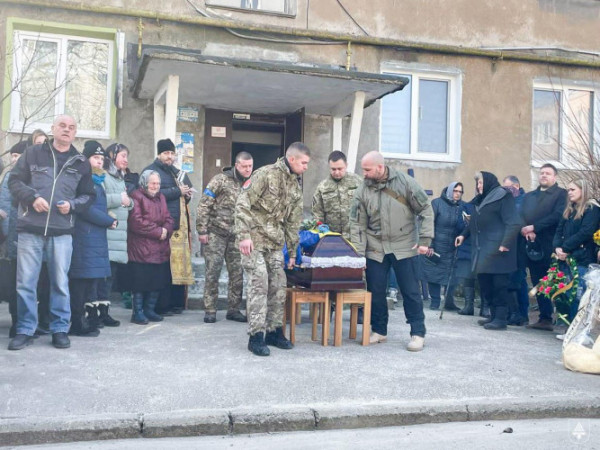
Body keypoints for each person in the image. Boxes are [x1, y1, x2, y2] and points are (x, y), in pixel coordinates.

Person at [7, 115, 95, 350]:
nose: (67, 130)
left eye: (72, 127)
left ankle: (59, 329)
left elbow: (88, 196)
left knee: (60, 283)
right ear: (53, 129)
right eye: (63, 126)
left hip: (62, 230)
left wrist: (72, 206)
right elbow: (14, 181)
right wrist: (32, 197)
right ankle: (25, 329)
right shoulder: (33, 153)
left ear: (75, 133)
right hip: (30, 229)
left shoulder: (80, 162)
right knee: (26, 283)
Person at [349, 151, 433, 352]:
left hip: (404, 246)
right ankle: (379, 331)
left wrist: (425, 240)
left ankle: (417, 333)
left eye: (367, 169)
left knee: (410, 291)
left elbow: (425, 209)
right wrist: (359, 254)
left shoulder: (405, 182)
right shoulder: (362, 190)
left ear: (380, 167)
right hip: (375, 247)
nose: (364, 173)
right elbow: (357, 223)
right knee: (375, 291)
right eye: (363, 169)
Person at [235, 142, 310, 356]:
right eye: (304, 162)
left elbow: (293, 222)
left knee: (278, 286)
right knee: (259, 284)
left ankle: (274, 332)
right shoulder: (265, 174)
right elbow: (242, 202)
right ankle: (256, 336)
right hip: (253, 242)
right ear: (292, 158)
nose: (306, 167)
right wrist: (243, 236)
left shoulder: (295, 186)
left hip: (275, 244)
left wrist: (294, 252)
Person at [456, 171, 521, 331]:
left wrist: (505, 243)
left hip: (499, 250)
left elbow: (513, 222)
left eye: (481, 182)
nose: (479, 186)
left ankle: (500, 318)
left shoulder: (503, 196)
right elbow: (474, 223)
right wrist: (463, 236)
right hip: (483, 250)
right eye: (477, 183)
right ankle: (492, 316)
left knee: (499, 285)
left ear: (490, 182)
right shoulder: (481, 200)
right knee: (486, 283)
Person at [197, 152, 253, 323]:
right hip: (216, 233)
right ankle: (210, 309)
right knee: (212, 271)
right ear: (236, 165)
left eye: (250, 166)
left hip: (238, 236)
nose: (248, 169)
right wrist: (202, 230)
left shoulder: (252, 184)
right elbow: (204, 204)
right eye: (244, 166)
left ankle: (234, 310)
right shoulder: (220, 180)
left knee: (237, 274)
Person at [68, 141, 117, 337]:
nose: (99, 162)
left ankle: (85, 321)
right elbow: (84, 208)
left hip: (94, 238)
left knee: (89, 282)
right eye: (95, 158)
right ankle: (77, 324)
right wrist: (108, 221)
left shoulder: (97, 180)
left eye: (101, 159)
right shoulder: (82, 178)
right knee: (80, 282)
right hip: (84, 236)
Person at [144, 139, 194, 315]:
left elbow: (187, 192)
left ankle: (176, 303)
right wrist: (177, 192)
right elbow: (150, 194)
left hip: (179, 226)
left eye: (172, 153)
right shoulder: (150, 171)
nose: (169, 157)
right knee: (164, 266)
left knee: (177, 266)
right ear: (159, 154)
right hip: (161, 226)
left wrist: (187, 194)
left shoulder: (177, 172)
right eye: (166, 153)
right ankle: (160, 306)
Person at [521, 164, 567, 331]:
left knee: (554, 283)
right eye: (542, 173)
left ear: (554, 177)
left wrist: (535, 227)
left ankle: (562, 319)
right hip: (532, 246)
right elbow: (522, 214)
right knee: (537, 281)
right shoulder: (530, 196)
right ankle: (545, 318)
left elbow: (557, 216)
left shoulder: (561, 194)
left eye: (548, 173)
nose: (544, 176)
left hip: (551, 245)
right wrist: (526, 228)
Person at [127, 170, 174, 325]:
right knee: (140, 282)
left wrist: (166, 230)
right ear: (145, 183)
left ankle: (149, 310)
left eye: (158, 183)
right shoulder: (136, 196)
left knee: (156, 280)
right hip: (142, 248)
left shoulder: (161, 197)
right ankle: (138, 312)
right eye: (153, 183)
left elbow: (168, 217)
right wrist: (158, 231)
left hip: (160, 247)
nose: (156, 186)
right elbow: (136, 222)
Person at [96, 143, 135, 324]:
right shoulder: (103, 176)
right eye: (123, 156)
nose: (126, 160)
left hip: (118, 236)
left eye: (127, 156)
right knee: (102, 278)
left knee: (109, 278)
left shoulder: (119, 178)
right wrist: (120, 199)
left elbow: (125, 202)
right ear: (111, 156)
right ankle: (96, 314)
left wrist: (130, 202)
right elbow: (97, 200)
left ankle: (104, 313)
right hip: (107, 236)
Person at [553, 179, 600, 324]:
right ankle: (568, 326)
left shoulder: (592, 209)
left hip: (583, 258)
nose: (569, 192)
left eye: (573, 189)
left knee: (578, 294)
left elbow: (585, 232)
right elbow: (559, 230)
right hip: (566, 258)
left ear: (582, 190)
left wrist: (565, 248)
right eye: (568, 190)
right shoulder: (570, 209)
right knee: (567, 294)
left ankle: (575, 329)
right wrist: (557, 248)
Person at [422, 182, 466, 311]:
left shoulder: (462, 206)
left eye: (460, 192)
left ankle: (449, 301)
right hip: (437, 244)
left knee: (452, 274)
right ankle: (435, 301)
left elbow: (464, 226)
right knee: (434, 273)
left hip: (453, 246)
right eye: (455, 191)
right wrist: (430, 244)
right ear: (450, 191)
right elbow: (430, 224)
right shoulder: (437, 203)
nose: (458, 194)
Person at [0, 141, 27, 337]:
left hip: (27, 236)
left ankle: (21, 323)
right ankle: (16, 323)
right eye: (14, 155)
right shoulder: (11, 177)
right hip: (12, 238)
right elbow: (5, 211)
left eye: (19, 156)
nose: (15, 159)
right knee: (13, 283)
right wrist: (8, 238)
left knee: (22, 283)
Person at [312, 151, 362, 240]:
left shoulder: (358, 182)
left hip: (356, 237)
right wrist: (321, 231)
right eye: (333, 169)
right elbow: (317, 214)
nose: (337, 172)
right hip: (332, 238)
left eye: (340, 168)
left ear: (346, 165)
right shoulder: (322, 187)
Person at [502, 175, 529, 326]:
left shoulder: (523, 202)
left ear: (516, 187)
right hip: (510, 247)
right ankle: (513, 313)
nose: (504, 191)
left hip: (518, 247)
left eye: (507, 188)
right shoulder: (511, 201)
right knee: (512, 280)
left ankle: (520, 314)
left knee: (517, 280)